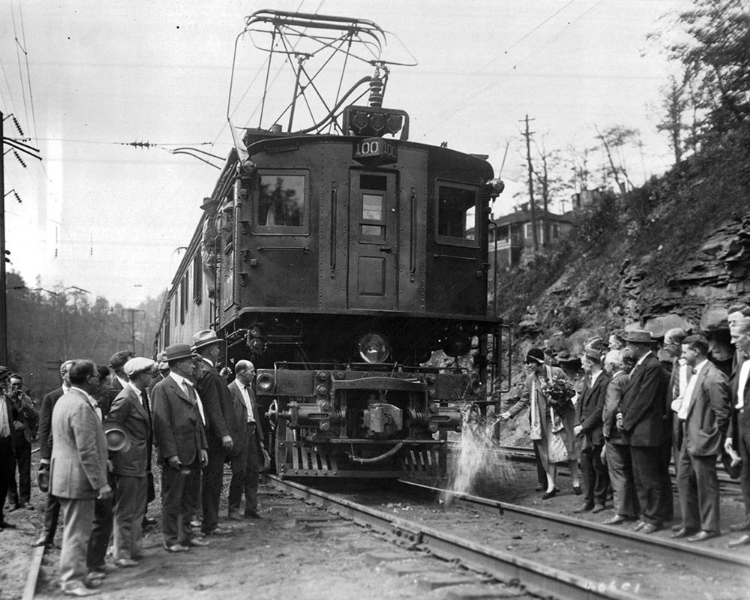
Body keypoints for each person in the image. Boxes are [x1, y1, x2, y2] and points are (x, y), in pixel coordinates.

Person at [50, 360, 111, 597]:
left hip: (66, 478)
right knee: (77, 533)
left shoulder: (66, 400)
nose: (99, 378)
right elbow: (86, 450)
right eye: (97, 375)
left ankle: (77, 574)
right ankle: (72, 581)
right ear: (88, 379)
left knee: (75, 531)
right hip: (78, 480)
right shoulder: (81, 406)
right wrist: (101, 483)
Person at [671, 334, 730, 542]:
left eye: (685, 351)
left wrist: (710, 437)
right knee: (684, 479)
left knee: (706, 484)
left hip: (701, 437)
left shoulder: (713, 376)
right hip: (688, 434)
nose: (682, 354)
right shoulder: (696, 372)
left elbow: (722, 414)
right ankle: (690, 523)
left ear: (696, 351)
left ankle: (710, 527)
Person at [501, 348, 580, 498]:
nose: (529, 365)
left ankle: (576, 482)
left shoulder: (557, 373)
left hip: (561, 418)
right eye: (527, 363)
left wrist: (558, 397)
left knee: (569, 449)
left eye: (531, 362)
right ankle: (551, 486)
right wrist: (509, 413)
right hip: (544, 421)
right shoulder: (531, 379)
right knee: (547, 453)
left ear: (539, 362)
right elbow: (524, 400)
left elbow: (571, 391)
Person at [151, 343, 209, 552]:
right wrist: (171, 454)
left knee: (189, 497)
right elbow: (161, 424)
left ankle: (186, 535)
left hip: (193, 452)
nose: (193, 366)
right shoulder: (162, 388)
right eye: (188, 362)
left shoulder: (189, 387)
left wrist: (202, 447)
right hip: (177, 454)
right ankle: (171, 539)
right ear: (177, 364)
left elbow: (198, 421)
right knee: (173, 498)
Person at [618, 329, 671, 534]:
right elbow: (631, 397)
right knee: (641, 478)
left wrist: (627, 422)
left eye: (630, 345)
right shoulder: (643, 366)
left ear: (640, 347)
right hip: (638, 431)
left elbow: (644, 400)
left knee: (650, 478)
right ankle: (646, 515)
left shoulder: (652, 366)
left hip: (646, 432)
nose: (627, 348)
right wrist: (622, 415)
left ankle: (654, 518)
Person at [105, 357, 154, 566]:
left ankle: (134, 548)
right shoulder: (125, 398)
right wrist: (120, 455)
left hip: (139, 462)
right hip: (127, 463)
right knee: (125, 510)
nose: (152, 377)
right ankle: (122, 553)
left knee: (137, 508)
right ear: (141, 375)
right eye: (150, 373)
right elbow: (111, 428)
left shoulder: (140, 395)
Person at [191, 329, 238, 537]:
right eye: (217, 347)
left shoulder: (211, 373)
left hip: (212, 437)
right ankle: (210, 524)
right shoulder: (209, 375)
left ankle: (209, 521)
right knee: (212, 481)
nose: (219, 350)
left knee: (212, 480)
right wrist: (224, 434)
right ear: (211, 350)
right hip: (214, 439)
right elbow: (213, 407)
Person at [34, 360, 74, 548]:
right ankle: (47, 534)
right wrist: (45, 456)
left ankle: (71, 536)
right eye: (70, 373)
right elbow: (43, 429)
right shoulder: (52, 397)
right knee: (53, 495)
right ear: (63, 374)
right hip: (56, 454)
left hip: (75, 455)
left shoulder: (82, 395)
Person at [85, 366, 116, 580]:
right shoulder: (86, 406)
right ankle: (91, 565)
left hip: (101, 466)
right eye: (106, 383)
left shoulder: (96, 405)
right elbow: (87, 446)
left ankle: (97, 562)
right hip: (91, 473)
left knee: (104, 517)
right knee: (98, 518)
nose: (109, 387)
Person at [601, 350, 638, 524]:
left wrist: (606, 430)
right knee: (631, 472)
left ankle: (621, 511)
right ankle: (634, 510)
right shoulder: (630, 377)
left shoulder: (615, 382)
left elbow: (611, 407)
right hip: (629, 432)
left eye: (606, 363)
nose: (604, 366)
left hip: (615, 435)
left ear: (612, 365)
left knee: (617, 473)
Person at [574, 349, 610, 514]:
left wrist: (583, 426)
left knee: (598, 468)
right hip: (584, 433)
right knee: (586, 468)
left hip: (596, 432)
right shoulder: (588, 379)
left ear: (590, 363)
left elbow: (600, 409)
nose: (581, 366)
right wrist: (577, 424)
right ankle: (588, 501)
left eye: (583, 362)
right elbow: (579, 404)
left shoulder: (605, 381)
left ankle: (599, 501)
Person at [227, 360, 264, 519]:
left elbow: (255, 416)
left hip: (252, 434)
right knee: (239, 473)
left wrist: (260, 438)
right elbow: (227, 417)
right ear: (241, 372)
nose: (254, 374)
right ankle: (233, 509)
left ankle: (251, 509)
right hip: (238, 436)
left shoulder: (250, 392)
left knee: (253, 472)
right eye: (251, 371)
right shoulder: (230, 390)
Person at [726, 316, 750, 547]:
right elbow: (737, 400)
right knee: (746, 477)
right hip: (742, 427)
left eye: (736, 337)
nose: (733, 342)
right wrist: (731, 433)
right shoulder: (742, 362)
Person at [6, 373, 38, 511]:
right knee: (9, 470)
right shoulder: (4, 399)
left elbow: (34, 416)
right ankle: (13, 501)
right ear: (9, 385)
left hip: (23, 437)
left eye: (19, 384)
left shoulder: (26, 398)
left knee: (24, 471)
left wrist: (24, 405)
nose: (16, 387)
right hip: (9, 438)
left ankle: (25, 500)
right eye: (13, 384)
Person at [0, 366, 17, 530]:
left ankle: (0, 519)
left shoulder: (6, 399)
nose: (7, 383)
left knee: (4, 482)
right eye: (4, 380)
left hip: (6, 444)